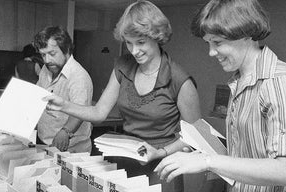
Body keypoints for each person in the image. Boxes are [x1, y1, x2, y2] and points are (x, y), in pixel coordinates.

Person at [43, 1, 201, 191]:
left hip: (162, 167)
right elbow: (99, 112)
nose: (134, 51)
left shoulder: (179, 80)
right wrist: (63, 105)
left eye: (141, 43)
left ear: (157, 37)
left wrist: (160, 152)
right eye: (128, 43)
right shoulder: (123, 66)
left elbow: (195, 138)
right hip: (125, 159)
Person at [154, 0, 286, 191]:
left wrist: (208, 161)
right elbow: (250, 153)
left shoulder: (277, 80)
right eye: (208, 43)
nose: (211, 52)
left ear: (245, 35)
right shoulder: (241, 79)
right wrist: (205, 153)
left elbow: (285, 170)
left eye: (217, 43)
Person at [34, 26, 94, 153]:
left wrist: (65, 131)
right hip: (46, 143)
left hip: (73, 149)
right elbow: (38, 96)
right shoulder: (46, 69)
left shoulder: (78, 76)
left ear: (66, 50)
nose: (47, 60)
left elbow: (80, 111)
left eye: (52, 53)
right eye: (43, 55)